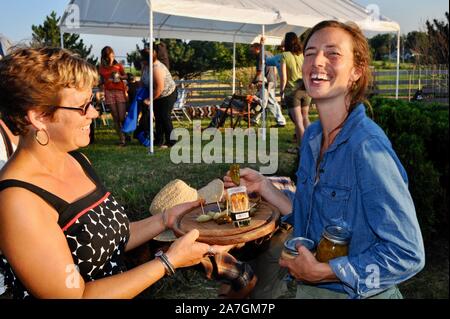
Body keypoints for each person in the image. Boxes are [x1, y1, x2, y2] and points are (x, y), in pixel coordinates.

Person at [0, 47, 225, 299]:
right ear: (39, 117)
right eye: (82, 107)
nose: (94, 113)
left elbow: (110, 239)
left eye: (92, 103)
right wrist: (169, 262)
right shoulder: (17, 201)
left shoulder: (77, 160)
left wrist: (165, 219)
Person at [224, 21, 425, 299]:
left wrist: (326, 271)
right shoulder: (312, 137)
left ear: (356, 72)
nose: (317, 61)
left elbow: (408, 254)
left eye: (332, 53)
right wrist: (264, 187)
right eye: (310, 53)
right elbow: (311, 217)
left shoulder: (366, 147)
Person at [139, 46, 178, 148]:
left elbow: (159, 88)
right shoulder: (145, 66)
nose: (140, 60)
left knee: (164, 116)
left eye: (142, 58)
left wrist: (149, 99)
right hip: (156, 94)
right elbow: (142, 80)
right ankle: (159, 140)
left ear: (147, 59)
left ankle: (172, 141)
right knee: (158, 117)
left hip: (167, 94)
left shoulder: (157, 69)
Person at [280, 32, 312, 148]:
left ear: (287, 41)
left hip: (292, 91)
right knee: (305, 118)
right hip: (305, 89)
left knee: (298, 122)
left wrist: (281, 91)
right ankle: (313, 142)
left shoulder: (285, 55)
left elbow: (284, 77)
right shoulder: (302, 55)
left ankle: (303, 148)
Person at [249, 43, 286, 128]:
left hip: (266, 83)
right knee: (265, 101)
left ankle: (281, 121)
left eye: (252, 49)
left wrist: (253, 82)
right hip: (271, 81)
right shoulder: (269, 53)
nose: (252, 52)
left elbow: (259, 71)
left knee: (270, 102)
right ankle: (255, 119)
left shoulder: (260, 56)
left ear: (257, 48)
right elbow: (275, 68)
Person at [98, 46, 128, 146]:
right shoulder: (101, 68)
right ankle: (122, 139)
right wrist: (101, 86)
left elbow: (126, 76)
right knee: (115, 117)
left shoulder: (118, 66)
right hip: (109, 92)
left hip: (119, 91)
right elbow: (101, 81)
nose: (111, 57)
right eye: (109, 56)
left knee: (121, 117)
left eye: (112, 55)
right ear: (105, 57)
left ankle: (126, 132)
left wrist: (120, 77)